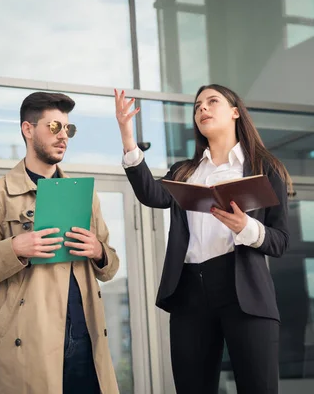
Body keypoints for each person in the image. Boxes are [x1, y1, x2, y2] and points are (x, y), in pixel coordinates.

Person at [115, 84, 291, 394]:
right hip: (190, 293)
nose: (202, 109)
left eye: (212, 102)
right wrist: (128, 138)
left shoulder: (264, 168)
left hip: (244, 291)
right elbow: (151, 195)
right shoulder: (186, 172)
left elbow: (280, 240)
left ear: (235, 112)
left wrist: (246, 227)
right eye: (197, 106)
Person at [0, 92, 120, 394]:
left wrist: (98, 252)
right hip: (29, 341)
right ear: (28, 129)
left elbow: (110, 268)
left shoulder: (85, 194)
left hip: (86, 337)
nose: (64, 136)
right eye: (54, 127)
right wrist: (16, 249)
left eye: (68, 129)